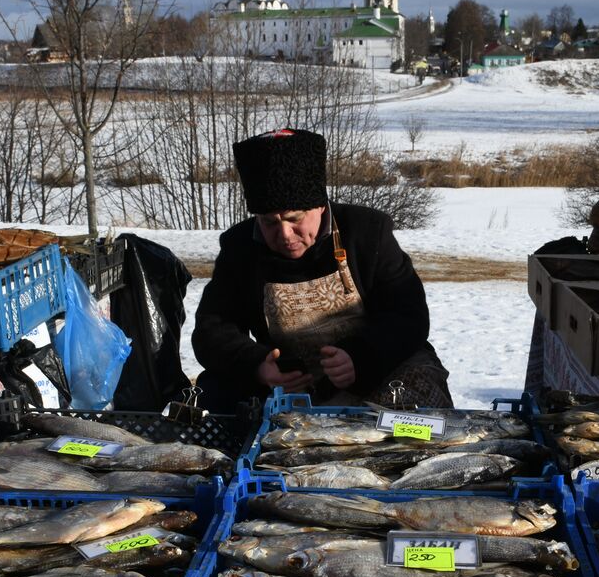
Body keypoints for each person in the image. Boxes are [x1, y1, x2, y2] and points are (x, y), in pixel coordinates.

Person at [192, 128, 451, 411]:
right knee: (214, 393)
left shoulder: (366, 232)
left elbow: (409, 315)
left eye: (295, 219)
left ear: (319, 206)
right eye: (269, 223)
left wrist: (361, 357)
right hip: (290, 386)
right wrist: (256, 365)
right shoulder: (240, 247)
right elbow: (211, 330)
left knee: (413, 405)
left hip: (376, 374)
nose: (285, 234)